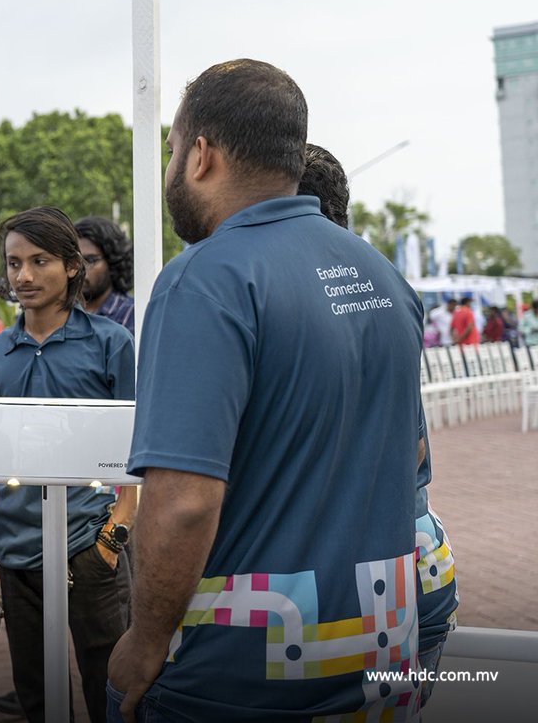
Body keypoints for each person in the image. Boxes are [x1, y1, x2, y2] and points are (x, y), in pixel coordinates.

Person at [107, 60, 425, 721]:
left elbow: (185, 502)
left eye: (171, 152)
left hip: (244, 671)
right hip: (383, 652)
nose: (171, 170)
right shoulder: (382, 275)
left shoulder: (208, 278)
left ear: (200, 155)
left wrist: (143, 642)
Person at [299, 144, 458, 710]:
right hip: (423, 553)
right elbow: (412, 442)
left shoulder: (287, 297)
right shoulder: (385, 282)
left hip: (350, 582)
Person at [0, 206, 136, 723]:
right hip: (17, 549)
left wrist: (113, 536)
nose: (22, 276)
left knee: (111, 690)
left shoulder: (112, 343)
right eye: (14, 262)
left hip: (89, 546)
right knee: (37, 697)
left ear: (73, 266)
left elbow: (140, 450)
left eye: (38, 261)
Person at [74, 216, 136, 334]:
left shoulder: (132, 313)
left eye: (90, 261)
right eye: (75, 261)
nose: (80, 270)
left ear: (112, 262)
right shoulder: (61, 314)